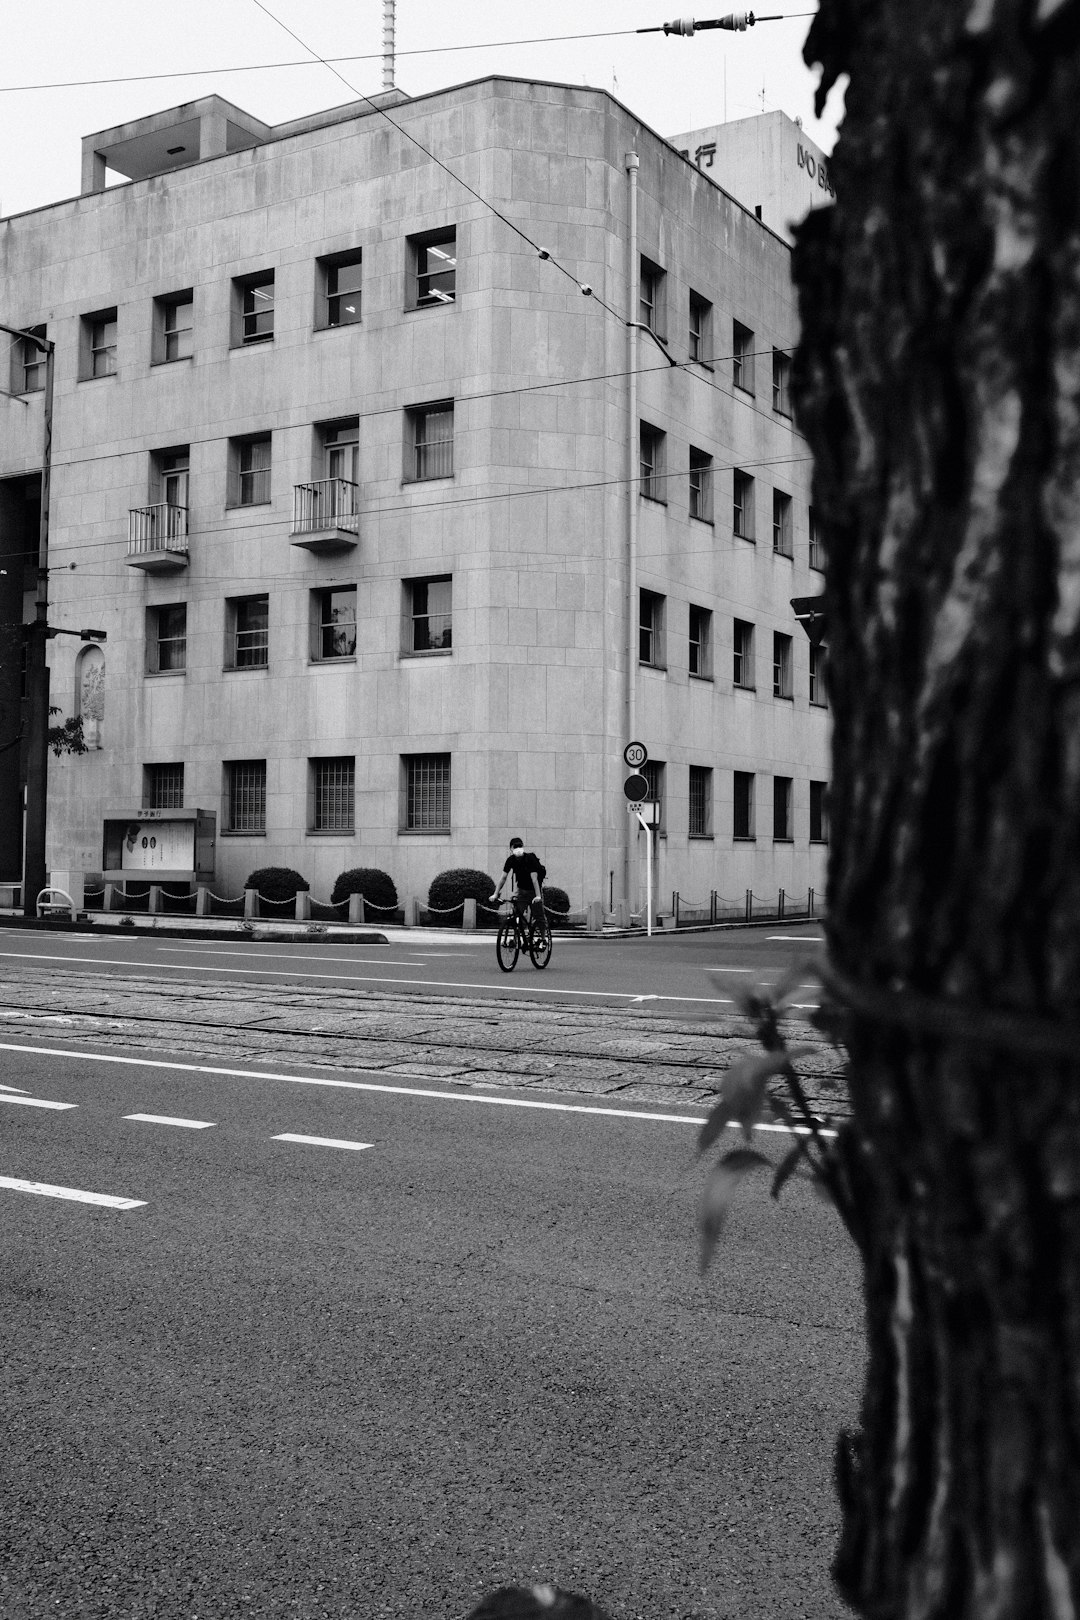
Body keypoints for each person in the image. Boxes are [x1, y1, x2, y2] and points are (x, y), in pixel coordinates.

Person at [490, 837, 546, 928]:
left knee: (539, 917)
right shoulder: (510, 860)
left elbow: (534, 879)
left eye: (519, 846)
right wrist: (495, 894)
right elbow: (503, 878)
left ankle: (543, 939)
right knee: (515, 915)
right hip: (521, 891)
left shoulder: (530, 858)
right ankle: (517, 939)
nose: (518, 849)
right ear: (511, 849)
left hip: (534, 891)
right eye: (515, 847)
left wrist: (538, 896)